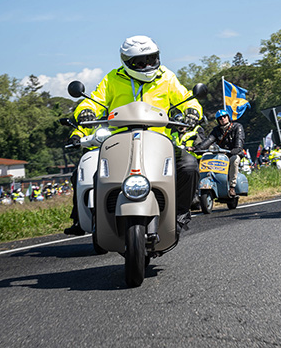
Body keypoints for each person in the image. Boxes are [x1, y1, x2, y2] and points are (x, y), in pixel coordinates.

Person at [68, 35, 202, 234]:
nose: (147, 64)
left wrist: (192, 111)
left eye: (151, 58)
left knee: (189, 166)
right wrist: (85, 111)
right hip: (118, 142)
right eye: (140, 62)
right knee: (95, 173)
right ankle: (98, 221)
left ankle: (179, 214)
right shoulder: (113, 78)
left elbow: (187, 98)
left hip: (159, 142)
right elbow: (93, 101)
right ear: (127, 62)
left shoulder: (166, 77)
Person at [195, 109, 246, 196]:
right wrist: (197, 148)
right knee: (206, 156)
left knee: (234, 160)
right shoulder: (216, 130)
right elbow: (209, 140)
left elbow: (239, 141)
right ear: (218, 121)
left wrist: (236, 149)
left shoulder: (237, 127)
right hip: (220, 153)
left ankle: (232, 186)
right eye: (220, 118)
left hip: (233, 152)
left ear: (228, 117)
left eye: (224, 116)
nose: (222, 119)